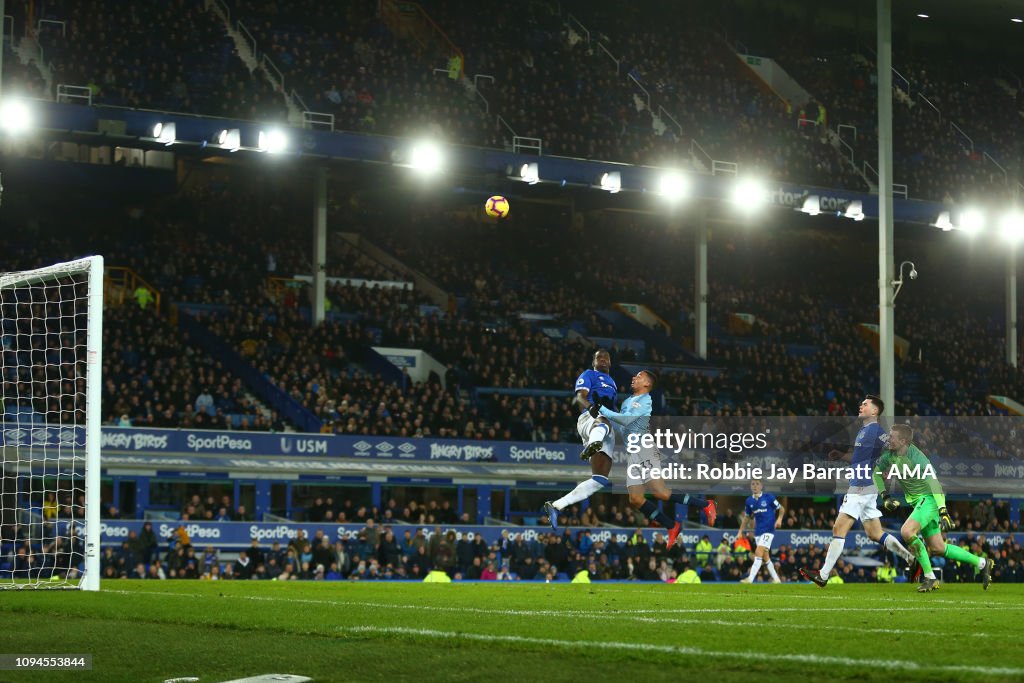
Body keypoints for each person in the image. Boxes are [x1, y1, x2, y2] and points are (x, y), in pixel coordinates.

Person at [799, 395, 915, 587]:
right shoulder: (864, 431)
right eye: (861, 403)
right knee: (875, 533)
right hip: (864, 486)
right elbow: (860, 457)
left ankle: (823, 575)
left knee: (839, 528)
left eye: (865, 404)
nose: (861, 406)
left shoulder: (877, 431)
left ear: (875, 411)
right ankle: (911, 559)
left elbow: (897, 450)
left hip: (862, 485)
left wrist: (887, 468)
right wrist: (843, 455)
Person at [873, 423, 991, 592]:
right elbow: (876, 472)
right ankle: (982, 563)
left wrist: (943, 511)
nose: (888, 439)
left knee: (907, 532)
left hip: (929, 500)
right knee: (938, 548)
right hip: (918, 502)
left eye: (892, 437)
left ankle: (930, 577)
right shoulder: (889, 455)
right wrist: (884, 495)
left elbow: (935, 485)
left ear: (903, 441)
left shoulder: (918, 459)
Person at [542, 350, 617, 529]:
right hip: (590, 418)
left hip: (605, 428)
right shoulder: (589, 374)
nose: (604, 360)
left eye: (607, 358)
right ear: (593, 361)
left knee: (599, 480)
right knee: (603, 421)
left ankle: (556, 506)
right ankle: (593, 443)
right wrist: (591, 408)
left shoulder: (613, 383)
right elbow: (580, 397)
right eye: (600, 357)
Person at [737, 478, 784, 583]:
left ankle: (750, 579)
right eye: (753, 484)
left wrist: (779, 519)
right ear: (750, 486)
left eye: (757, 484)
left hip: (769, 530)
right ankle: (777, 580)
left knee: (758, 552)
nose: (755, 486)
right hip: (758, 532)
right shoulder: (749, 501)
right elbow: (746, 518)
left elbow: (781, 509)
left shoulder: (769, 497)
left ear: (761, 486)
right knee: (765, 557)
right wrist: (740, 531)